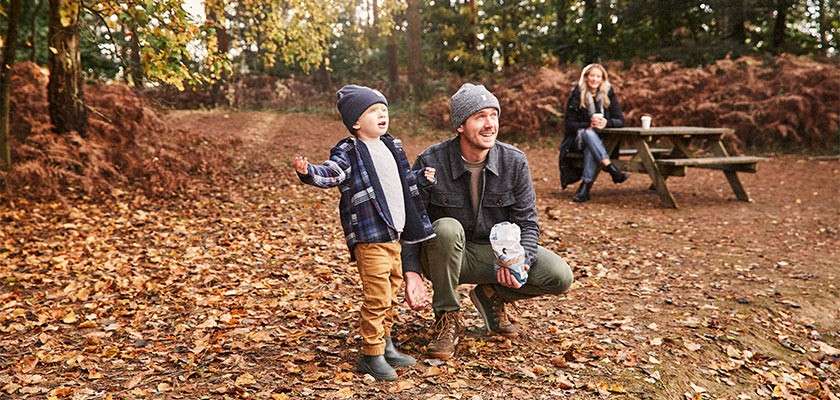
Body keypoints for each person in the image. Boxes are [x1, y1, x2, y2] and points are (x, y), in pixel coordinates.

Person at [401, 83, 575, 360]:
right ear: (460, 125)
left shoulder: (514, 161)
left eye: (493, 115)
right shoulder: (431, 160)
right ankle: (447, 317)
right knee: (446, 228)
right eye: (480, 116)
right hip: (441, 255)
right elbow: (411, 221)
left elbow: (528, 222)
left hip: (494, 256)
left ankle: (492, 295)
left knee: (560, 276)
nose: (489, 124)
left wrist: (521, 261)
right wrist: (411, 273)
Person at [292, 84, 437, 381]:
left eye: (384, 110)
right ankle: (371, 355)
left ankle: (386, 344)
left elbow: (403, 180)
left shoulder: (392, 145)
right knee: (377, 297)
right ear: (356, 122)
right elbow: (333, 172)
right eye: (373, 111)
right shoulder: (350, 151)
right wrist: (310, 172)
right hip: (370, 238)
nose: (382, 115)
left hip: (394, 235)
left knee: (392, 291)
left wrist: (421, 178)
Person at [559, 63, 629, 202]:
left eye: (598, 76)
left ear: (603, 79)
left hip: (601, 142)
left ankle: (584, 189)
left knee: (590, 148)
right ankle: (610, 168)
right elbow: (569, 125)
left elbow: (620, 120)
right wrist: (588, 124)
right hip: (577, 141)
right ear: (586, 77)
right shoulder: (577, 94)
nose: (595, 79)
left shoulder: (608, 93)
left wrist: (607, 123)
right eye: (592, 76)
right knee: (587, 133)